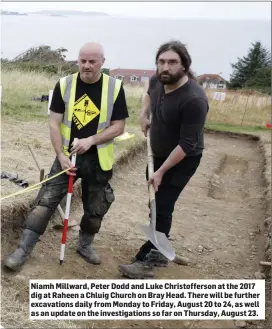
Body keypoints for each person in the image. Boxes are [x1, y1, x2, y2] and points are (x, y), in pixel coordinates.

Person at [4, 42, 129, 271]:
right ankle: (23, 249)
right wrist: (60, 155)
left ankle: (84, 244)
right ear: (78, 61)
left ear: (102, 62)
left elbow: (119, 127)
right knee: (46, 201)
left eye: (92, 61)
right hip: (67, 157)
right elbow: (54, 122)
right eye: (83, 61)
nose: (87, 66)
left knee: (96, 207)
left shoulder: (114, 88)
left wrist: (91, 140)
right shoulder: (65, 85)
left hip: (98, 158)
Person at [118, 40, 209, 279]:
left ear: (184, 65)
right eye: (161, 61)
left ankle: (153, 259)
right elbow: (149, 94)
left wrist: (160, 172)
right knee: (154, 202)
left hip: (182, 160)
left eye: (172, 62)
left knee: (163, 204)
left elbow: (187, 144)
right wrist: (143, 114)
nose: (165, 67)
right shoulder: (158, 79)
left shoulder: (194, 100)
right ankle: (161, 243)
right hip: (156, 154)